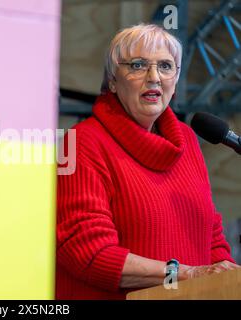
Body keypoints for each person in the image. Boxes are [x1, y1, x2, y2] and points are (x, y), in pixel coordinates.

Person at [56, 23, 240, 300]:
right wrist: (185, 275)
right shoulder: (80, 142)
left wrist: (224, 277)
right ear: (113, 81)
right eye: (138, 65)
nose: (154, 77)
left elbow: (212, 238)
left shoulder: (187, 142)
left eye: (166, 66)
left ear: (176, 80)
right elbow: (90, 254)